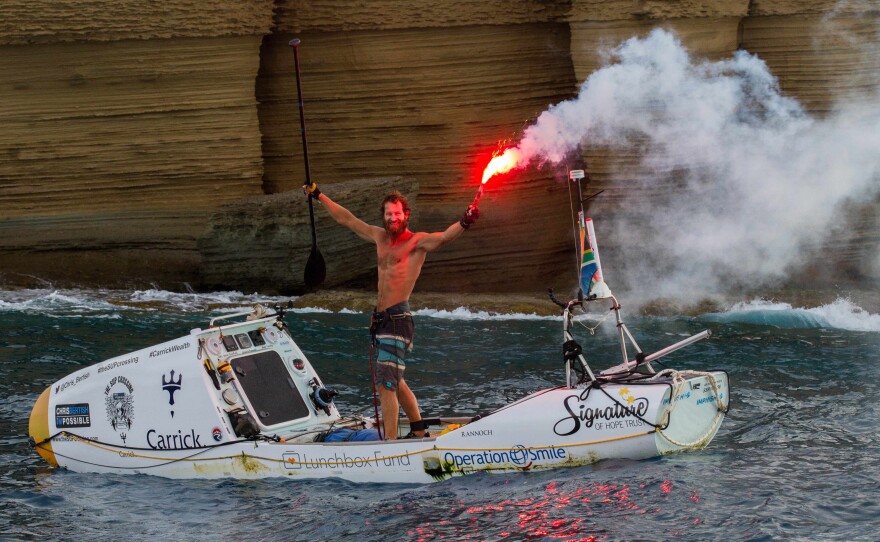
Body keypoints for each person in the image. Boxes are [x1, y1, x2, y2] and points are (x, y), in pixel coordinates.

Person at [303, 182, 479, 439]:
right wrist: (318, 195)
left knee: (386, 385)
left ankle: (390, 443)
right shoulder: (380, 237)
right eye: (388, 213)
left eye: (397, 213)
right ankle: (418, 430)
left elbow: (443, 237)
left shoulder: (416, 242)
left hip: (398, 319)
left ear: (406, 215)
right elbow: (347, 219)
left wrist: (464, 221)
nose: (392, 218)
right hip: (382, 320)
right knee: (395, 379)